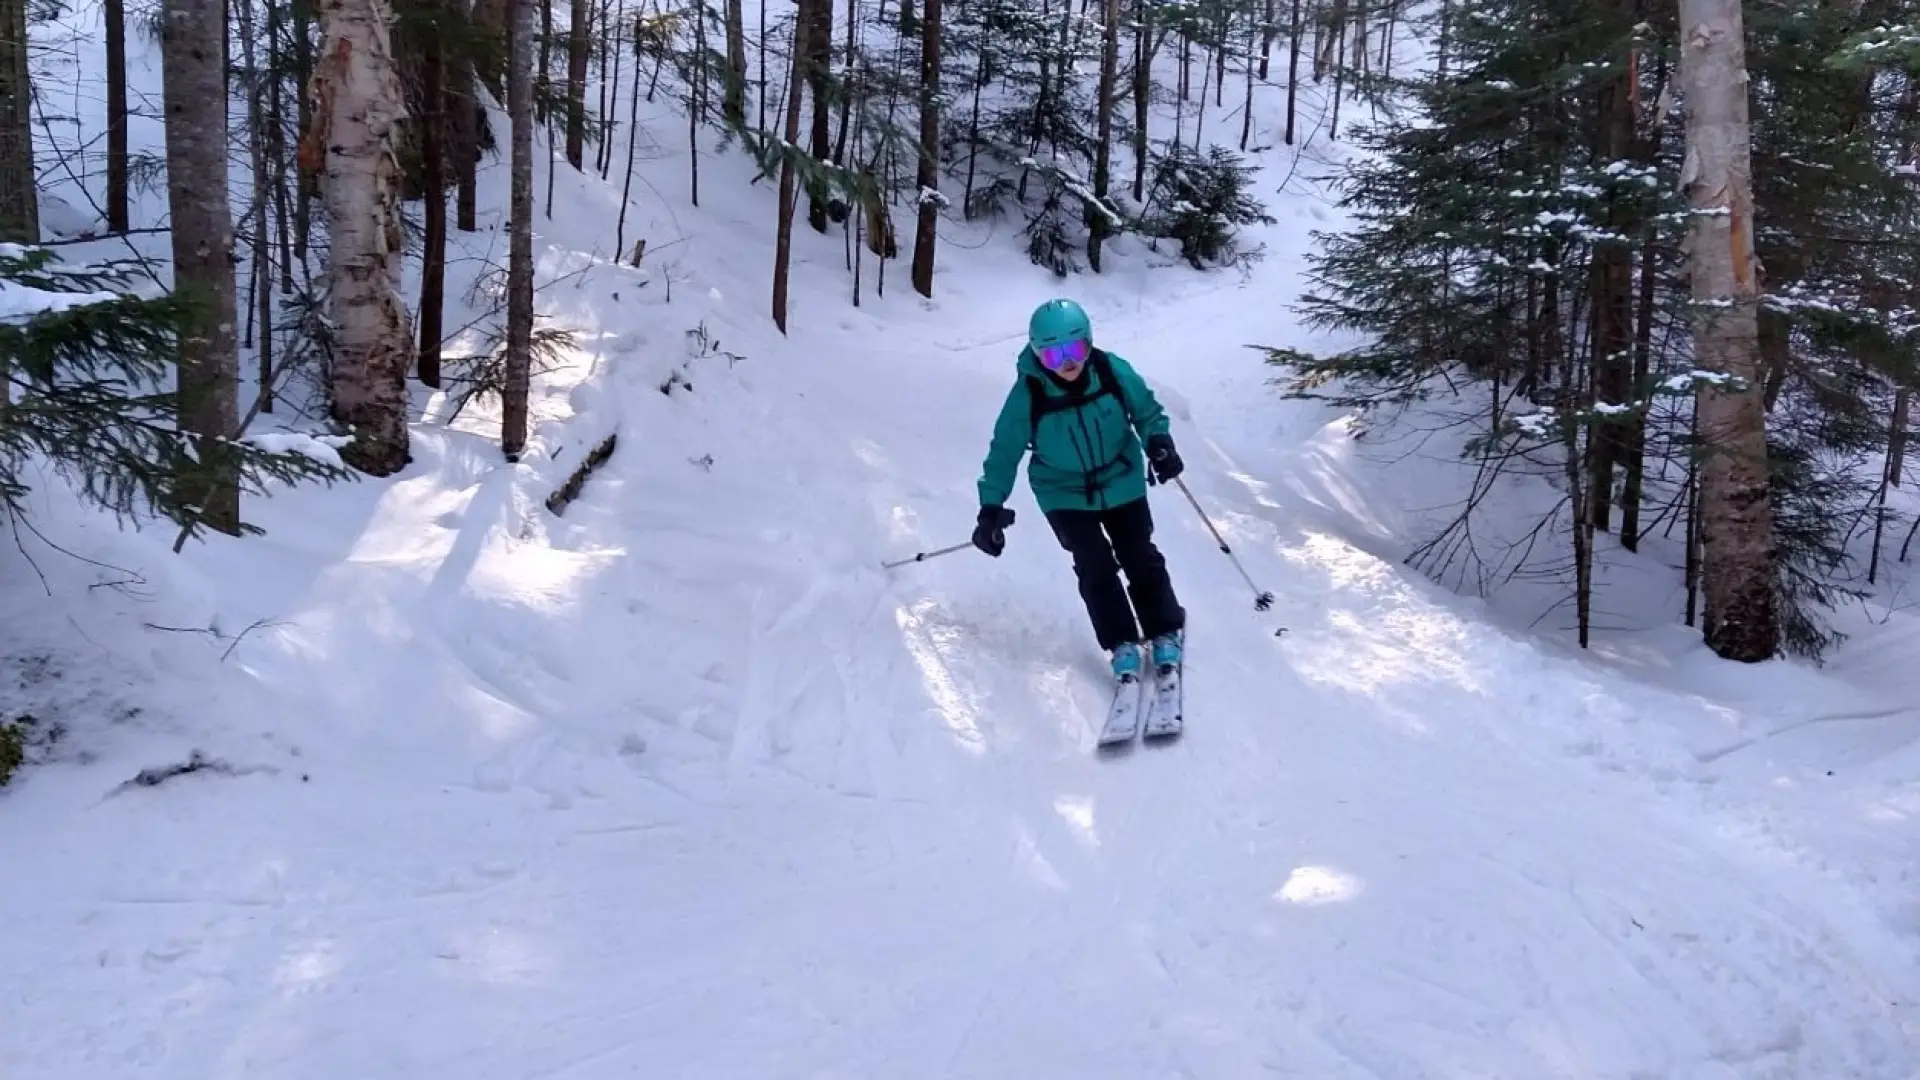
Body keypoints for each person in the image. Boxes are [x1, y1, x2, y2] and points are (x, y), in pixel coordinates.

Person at [971, 297, 1187, 680]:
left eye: (1075, 350)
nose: (1068, 363)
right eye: (1054, 356)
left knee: (1139, 553)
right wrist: (991, 507)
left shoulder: (1110, 370)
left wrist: (1159, 443)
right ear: (1038, 355)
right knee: (1094, 565)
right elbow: (1003, 451)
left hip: (1121, 477)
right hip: (1063, 492)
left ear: (1089, 342)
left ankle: (1164, 627)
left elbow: (1147, 411)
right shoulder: (1027, 395)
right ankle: (1122, 641)